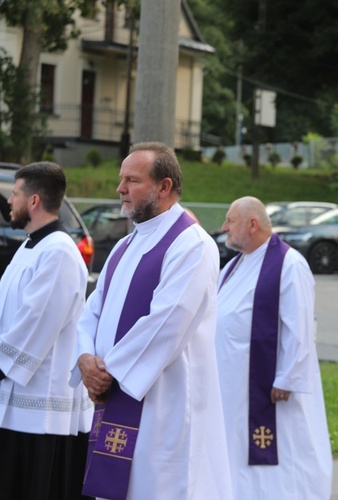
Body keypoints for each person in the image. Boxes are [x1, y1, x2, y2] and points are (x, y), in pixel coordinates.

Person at [72, 142, 232, 499]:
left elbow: (167, 323)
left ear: (164, 187)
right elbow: (92, 310)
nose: (120, 189)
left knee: (156, 487)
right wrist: (84, 359)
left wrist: (105, 371)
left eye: (132, 180)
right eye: (121, 179)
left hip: (164, 404)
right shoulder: (125, 246)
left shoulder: (192, 245)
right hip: (116, 389)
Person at [215, 196, 332, 499]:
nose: (224, 226)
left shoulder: (290, 264)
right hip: (234, 386)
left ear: (252, 224)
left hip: (272, 390)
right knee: (237, 453)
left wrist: (288, 377)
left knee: (280, 455)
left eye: (230, 220)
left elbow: (300, 324)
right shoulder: (232, 266)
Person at [0, 162, 92, 499]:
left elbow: (36, 320)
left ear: (34, 201)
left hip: (40, 403)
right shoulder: (30, 246)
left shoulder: (60, 252)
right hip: (12, 394)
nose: (10, 202)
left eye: (15, 194)